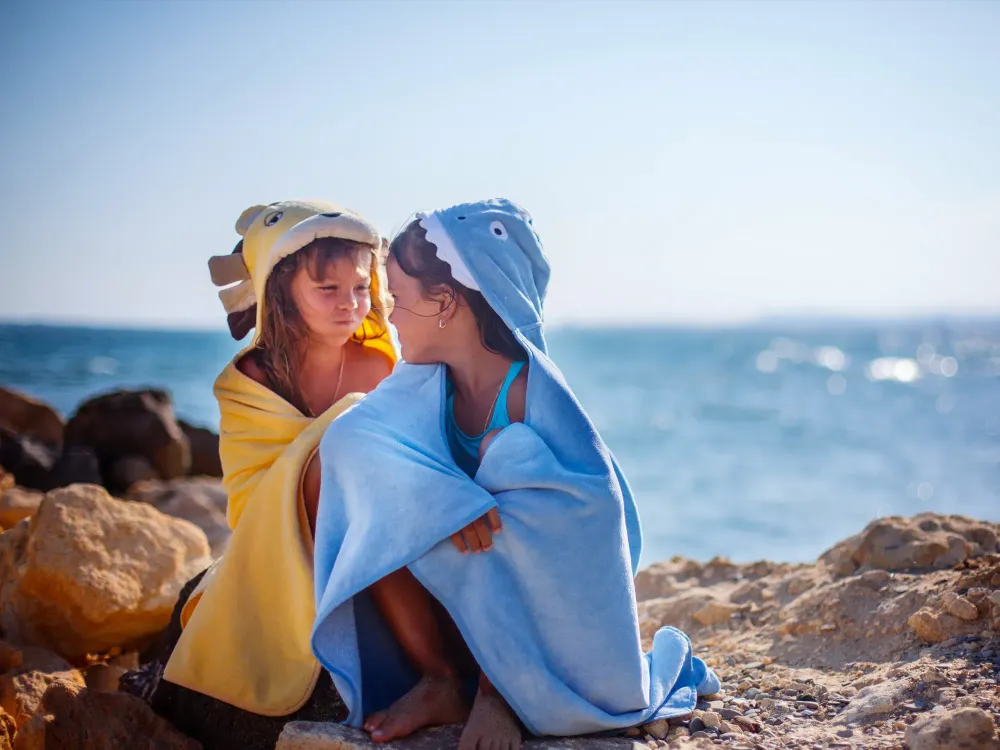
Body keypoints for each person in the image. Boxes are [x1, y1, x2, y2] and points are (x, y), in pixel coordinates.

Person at [311, 199, 719, 750]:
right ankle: (439, 677)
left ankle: (499, 693)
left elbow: (586, 520)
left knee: (507, 456)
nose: (388, 319)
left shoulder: (529, 393)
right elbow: (349, 443)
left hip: (546, 628)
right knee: (389, 489)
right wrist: (442, 496)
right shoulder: (424, 383)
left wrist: (487, 487)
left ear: (444, 302)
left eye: (398, 300)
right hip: (459, 617)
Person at [150, 200, 396, 747]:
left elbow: (402, 463)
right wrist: (330, 440)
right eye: (327, 289)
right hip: (281, 530)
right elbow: (249, 490)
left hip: (367, 535)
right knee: (344, 437)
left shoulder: (380, 365)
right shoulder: (250, 382)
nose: (350, 304)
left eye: (361, 287)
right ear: (282, 291)